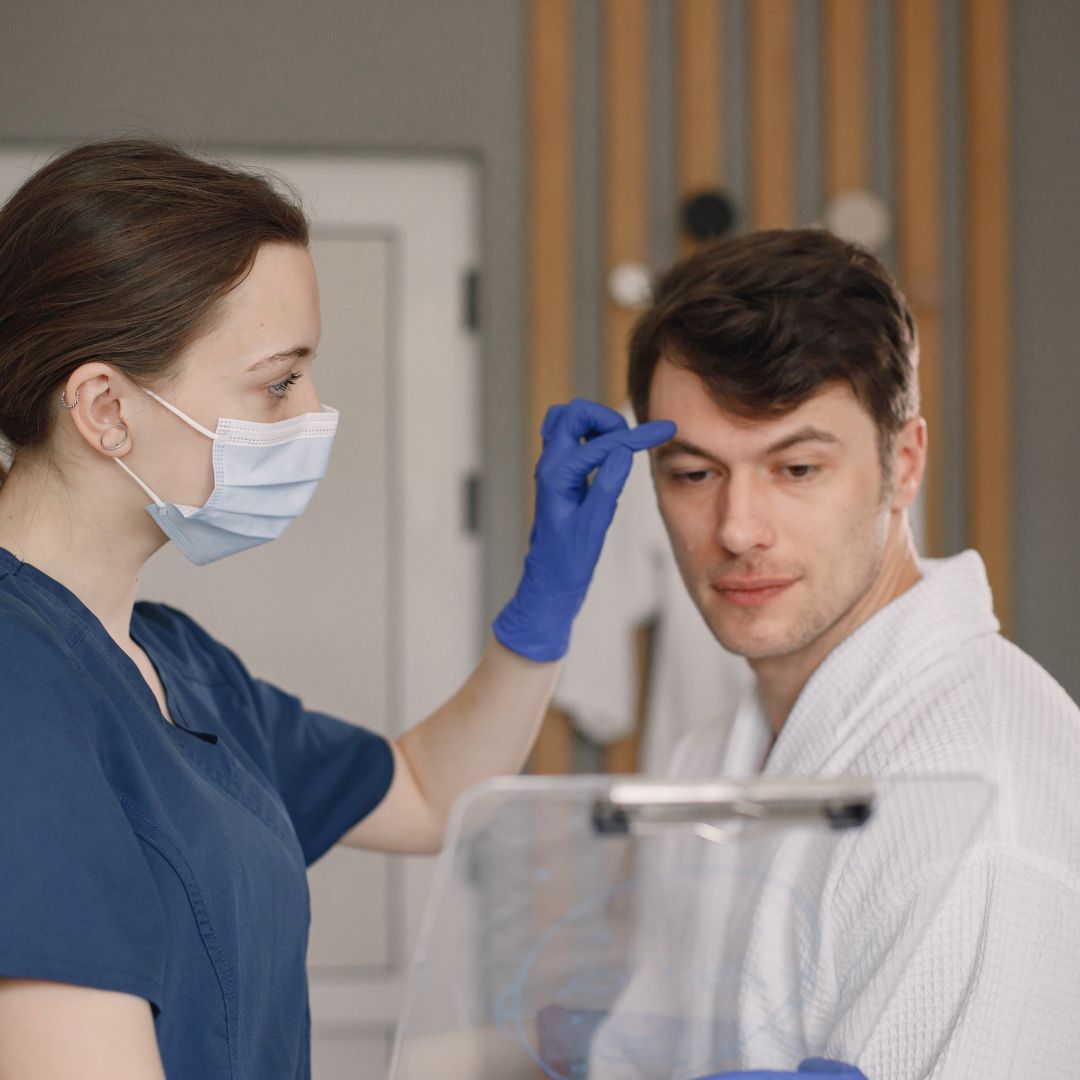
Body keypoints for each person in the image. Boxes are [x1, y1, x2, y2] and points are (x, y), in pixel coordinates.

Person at [0, 137, 674, 1080]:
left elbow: (431, 793)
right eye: (278, 382)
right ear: (106, 409)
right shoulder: (18, 690)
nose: (314, 411)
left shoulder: (174, 664)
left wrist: (546, 602)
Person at [595, 229, 1080, 1078]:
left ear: (904, 464)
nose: (738, 530)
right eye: (694, 474)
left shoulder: (977, 803)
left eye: (798, 468)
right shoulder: (711, 753)